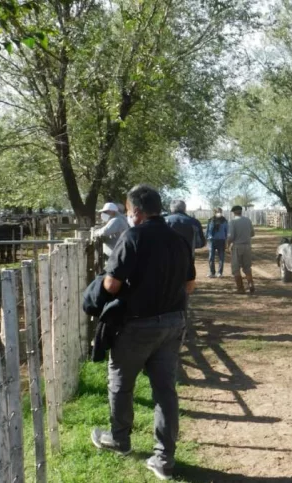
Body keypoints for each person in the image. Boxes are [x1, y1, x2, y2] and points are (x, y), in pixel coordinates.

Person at [90, 184, 195, 481]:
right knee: (165, 391)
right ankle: (164, 458)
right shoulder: (178, 240)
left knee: (121, 384)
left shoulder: (133, 236)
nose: (128, 215)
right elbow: (190, 285)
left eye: (127, 210)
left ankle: (119, 439)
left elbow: (111, 285)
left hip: (138, 325)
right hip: (173, 323)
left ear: (135, 211)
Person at [227, 205, 255, 294]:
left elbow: (231, 236)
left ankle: (240, 288)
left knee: (236, 268)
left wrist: (227, 244)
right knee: (247, 267)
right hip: (247, 246)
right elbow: (252, 233)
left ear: (234, 212)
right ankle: (251, 284)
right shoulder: (248, 220)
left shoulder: (232, 222)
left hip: (237, 246)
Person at [206, 208, 228, 277]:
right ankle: (212, 272)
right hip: (212, 241)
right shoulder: (210, 220)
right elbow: (207, 231)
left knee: (221, 258)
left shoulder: (224, 221)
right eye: (217, 212)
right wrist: (206, 239)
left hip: (221, 240)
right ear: (214, 212)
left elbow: (226, 231)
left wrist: (226, 242)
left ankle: (219, 273)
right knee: (211, 257)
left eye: (220, 211)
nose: (219, 213)